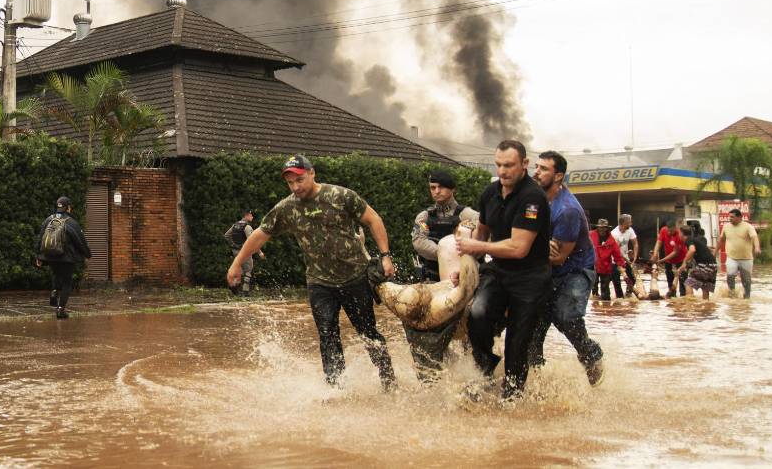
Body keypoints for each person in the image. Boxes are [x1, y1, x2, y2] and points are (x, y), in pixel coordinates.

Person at [227, 155, 397, 391]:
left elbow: (373, 219)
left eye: (300, 180)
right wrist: (237, 263)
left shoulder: (340, 196)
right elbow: (259, 234)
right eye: (290, 183)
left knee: (367, 331)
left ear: (312, 173)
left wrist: (386, 256)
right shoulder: (287, 208)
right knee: (327, 334)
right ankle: (336, 388)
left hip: (354, 277)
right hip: (319, 282)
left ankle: (388, 381)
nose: (296, 187)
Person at [457, 140, 552, 400]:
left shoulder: (533, 198)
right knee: (477, 314)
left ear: (524, 164)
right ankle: (484, 370)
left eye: (508, 165)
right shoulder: (490, 193)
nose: (502, 171)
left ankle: (512, 400)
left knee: (517, 343)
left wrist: (476, 243)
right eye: (498, 165)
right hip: (498, 271)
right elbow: (482, 232)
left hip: (530, 278)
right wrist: (467, 265)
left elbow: (519, 247)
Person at [527, 151, 604, 386]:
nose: (536, 172)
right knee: (531, 325)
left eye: (543, 169)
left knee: (566, 316)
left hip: (575, 269)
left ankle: (591, 355)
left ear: (558, 176)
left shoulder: (567, 210)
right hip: (544, 267)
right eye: (536, 167)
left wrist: (530, 247)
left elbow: (559, 257)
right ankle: (534, 381)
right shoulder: (533, 201)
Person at [405, 169, 480, 381]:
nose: (436, 192)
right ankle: (435, 368)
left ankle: (474, 367)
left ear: (452, 189)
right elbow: (418, 242)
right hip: (432, 280)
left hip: (462, 280)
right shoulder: (424, 216)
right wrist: (444, 250)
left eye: (440, 187)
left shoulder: (469, 215)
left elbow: (480, 238)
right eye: (432, 188)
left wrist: (455, 252)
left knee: (470, 324)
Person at [35, 196, 92, 320]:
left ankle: (54, 292)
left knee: (55, 274)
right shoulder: (71, 222)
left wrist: (39, 256)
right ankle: (61, 310)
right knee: (67, 282)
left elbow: (40, 238)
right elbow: (80, 241)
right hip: (66, 258)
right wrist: (87, 254)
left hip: (50, 256)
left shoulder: (48, 219)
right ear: (68, 207)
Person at [717, 208, 760, 299]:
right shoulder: (726, 226)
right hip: (732, 257)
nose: (730, 218)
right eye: (729, 217)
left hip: (746, 258)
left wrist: (757, 247)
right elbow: (721, 240)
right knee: (730, 275)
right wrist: (715, 251)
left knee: (746, 280)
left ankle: (747, 297)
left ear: (739, 217)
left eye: (732, 217)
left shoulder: (748, 226)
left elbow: (754, 237)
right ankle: (732, 294)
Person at [224, 210, 265, 296]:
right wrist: (260, 252)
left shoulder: (235, 225)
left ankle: (234, 287)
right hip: (245, 251)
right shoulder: (247, 227)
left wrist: (233, 244)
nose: (252, 217)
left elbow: (226, 235)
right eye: (251, 215)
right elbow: (252, 241)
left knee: (239, 270)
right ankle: (245, 291)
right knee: (248, 270)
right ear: (246, 216)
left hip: (235, 251)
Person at [677, 225, 717, 299]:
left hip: (705, 265)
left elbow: (692, 250)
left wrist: (684, 262)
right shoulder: (694, 240)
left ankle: (690, 306)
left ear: (682, 234)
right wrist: (687, 265)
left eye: (679, 233)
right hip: (713, 265)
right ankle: (706, 307)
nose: (678, 235)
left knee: (689, 284)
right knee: (705, 288)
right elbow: (695, 254)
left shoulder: (688, 240)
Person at [590, 219, 627, 301]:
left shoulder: (611, 240)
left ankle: (606, 309)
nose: (602, 229)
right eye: (600, 227)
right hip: (593, 266)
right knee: (594, 291)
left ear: (607, 228)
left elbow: (617, 255)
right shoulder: (591, 235)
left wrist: (621, 266)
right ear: (598, 227)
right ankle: (595, 309)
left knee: (605, 293)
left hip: (605, 267)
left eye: (604, 228)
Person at [651, 219, 687, 297]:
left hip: (681, 259)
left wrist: (661, 260)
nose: (669, 233)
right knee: (669, 277)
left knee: (682, 279)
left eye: (671, 231)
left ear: (675, 228)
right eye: (668, 231)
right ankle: (672, 295)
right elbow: (659, 242)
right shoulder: (663, 230)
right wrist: (655, 253)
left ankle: (683, 296)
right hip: (669, 260)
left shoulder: (679, 235)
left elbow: (675, 253)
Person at [611, 214, 640, 295]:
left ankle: (628, 294)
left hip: (625, 259)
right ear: (623, 223)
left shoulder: (630, 230)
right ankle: (619, 302)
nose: (631, 224)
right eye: (629, 222)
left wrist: (635, 257)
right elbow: (616, 251)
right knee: (617, 283)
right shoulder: (614, 234)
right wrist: (626, 259)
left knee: (632, 279)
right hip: (614, 261)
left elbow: (635, 244)